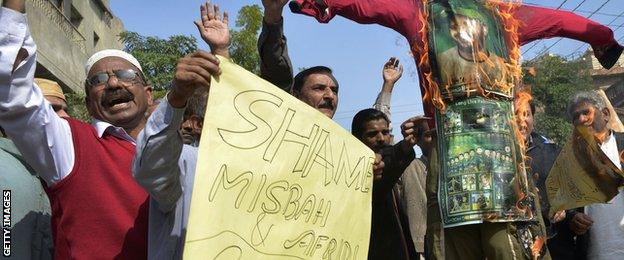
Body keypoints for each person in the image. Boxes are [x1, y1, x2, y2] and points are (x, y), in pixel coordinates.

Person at [0, 0, 220, 258]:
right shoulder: (68, 142)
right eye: (99, 80)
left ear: (149, 95)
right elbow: (13, 93)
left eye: (126, 75)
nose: (114, 83)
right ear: (88, 100)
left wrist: (220, 58)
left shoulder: (181, 154)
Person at [351, 108, 428, 259]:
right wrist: (405, 147)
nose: (381, 138)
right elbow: (386, 164)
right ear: (357, 138)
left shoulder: (398, 164)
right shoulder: (354, 172)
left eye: (385, 132)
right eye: (372, 134)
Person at [515, 91, 574, 259]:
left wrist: (566, 209)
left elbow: (571, 192)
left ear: (533, 118)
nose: (522, 120)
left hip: (553, 242)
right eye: (515, 114)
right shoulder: (495, 154)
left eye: (527, 114)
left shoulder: (551, 151)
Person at [566, 90, 624, 260]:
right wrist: (573, 218)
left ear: (605, 114)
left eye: (586, 112)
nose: (581, 119)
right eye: (576, 117)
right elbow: (567, 207)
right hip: (596, 254)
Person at [259, 0, 340, 119]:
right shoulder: (281, 125)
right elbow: (277, 67)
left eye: (334, 91)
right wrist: (273, 13)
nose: (330, 96)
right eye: (319, 88)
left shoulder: (341, 137)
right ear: (296, 96)